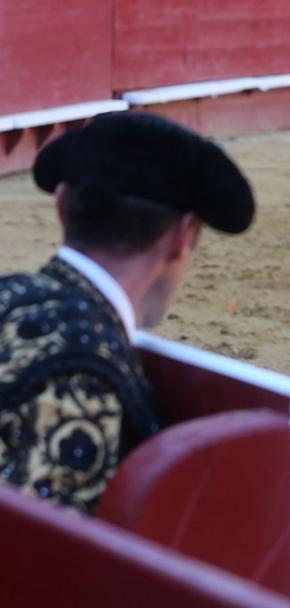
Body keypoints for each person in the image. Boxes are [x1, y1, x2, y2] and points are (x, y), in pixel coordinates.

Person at [0, 112, 255, 514]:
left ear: (63, 205)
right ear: (183, 237)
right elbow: (38, 559)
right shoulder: (89, 373)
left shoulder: (6, 293)